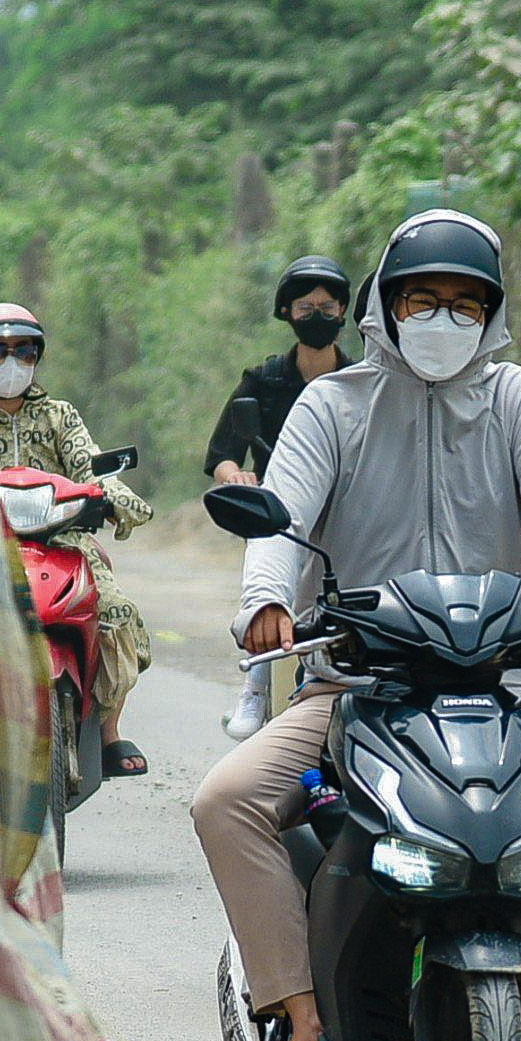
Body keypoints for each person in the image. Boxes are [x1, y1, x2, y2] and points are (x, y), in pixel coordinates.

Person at [190, 209, 521, 1041]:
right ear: (386, 302)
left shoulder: (517, 401)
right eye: (425, 299)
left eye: (467, 304)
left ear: (492, 317)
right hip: (354, 689)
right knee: (226, 803)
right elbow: (281, 515)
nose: (444, 320)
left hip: (508, 692)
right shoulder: (331, 406)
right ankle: (301, 1027)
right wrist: (265, 601)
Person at [0, 300, 156, 777]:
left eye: (23, 351)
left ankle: (108, 732)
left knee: (118, 612)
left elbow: (90, 465)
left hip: (64, 543)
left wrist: (114, 498)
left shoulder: (59, 416)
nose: (11, 362)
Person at [205, 254, 354, 740]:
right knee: (272, 587)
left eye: (328, 306)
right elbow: (223, 454)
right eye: (306, 306)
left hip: (349, 516)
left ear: (344, 313)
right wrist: (238, 479)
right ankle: (256, 681)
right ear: (287, 313)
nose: (317, 315)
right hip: (280, 516)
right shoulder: (264, 381)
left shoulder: (362, 383)